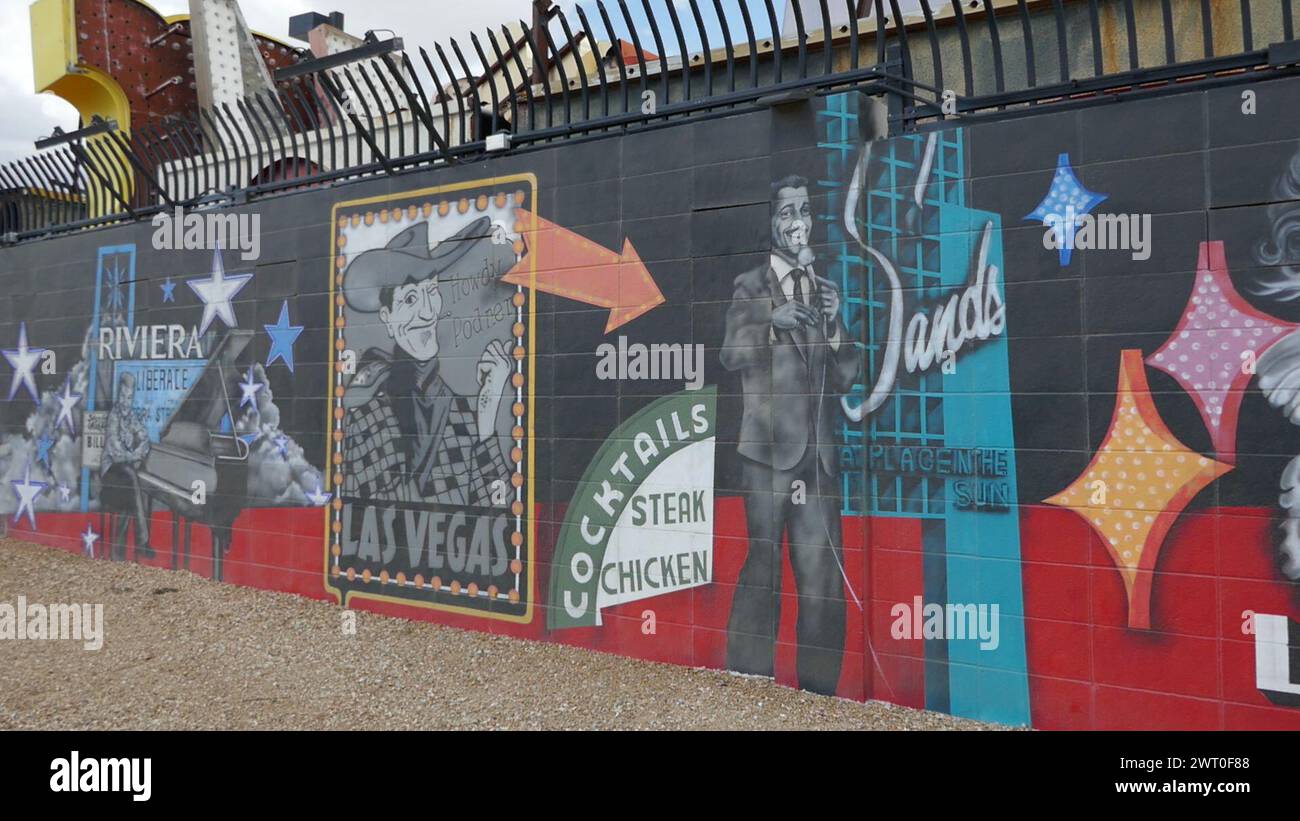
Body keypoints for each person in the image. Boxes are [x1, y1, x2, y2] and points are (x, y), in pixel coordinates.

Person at [720, 174, 860, 696]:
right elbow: (732, 354)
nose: (797, 220)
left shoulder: (826, 290)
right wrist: (770, 320)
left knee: (822, 577)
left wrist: (838, 325)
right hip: (766, 454)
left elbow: (846, 374)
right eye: (787, 211)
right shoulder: (751, 286)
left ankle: (820, 690)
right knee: (764, 564)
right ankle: (749, 676)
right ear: (773, 223)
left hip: (817, 459)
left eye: (804, 210)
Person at [340, 217, 515, 506]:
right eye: (410, 300)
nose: (426, 312)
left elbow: (497, 515)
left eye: (431, 292)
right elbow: (380, 512)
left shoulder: (462, 412)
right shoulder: (365, 414)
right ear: (388, 319)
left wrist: (486, 418)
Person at [102, 372, 155, 561]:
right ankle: (142, 541)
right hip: (110, 473)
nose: (126, 401)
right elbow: (115, 452)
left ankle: (119, 553)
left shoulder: (130, 416)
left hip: (125, 476)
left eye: (130, 397)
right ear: (118, 396)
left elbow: (144, 437)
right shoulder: (114, 417)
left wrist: (139, 450)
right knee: (133, 476)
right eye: (123, 397)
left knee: (131, 494)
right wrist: (135, 455)